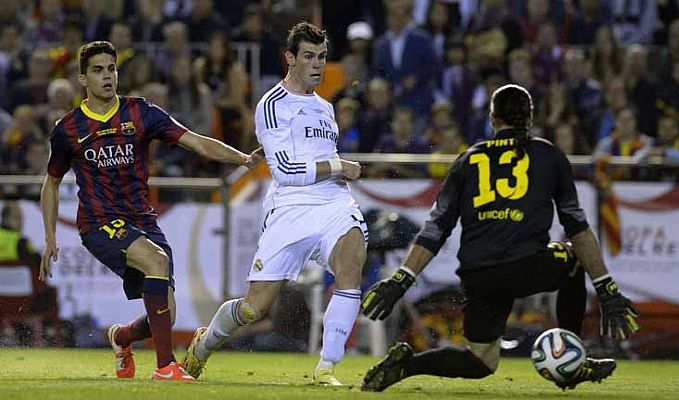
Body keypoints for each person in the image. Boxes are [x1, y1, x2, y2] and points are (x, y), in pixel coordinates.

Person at [360, 84, 640, 392]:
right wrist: (606, 287)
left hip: (479, 274)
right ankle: (570, 359)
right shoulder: (549, 156)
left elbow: (436, 228)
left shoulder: (468, 159)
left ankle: (408, 364)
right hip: (525, 264)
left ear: (492, 119)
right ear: (530, 118)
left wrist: (401, 279)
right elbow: (578, 228)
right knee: (572, 259)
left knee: (481, 360)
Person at [39, 41, 261, 382]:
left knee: (166, 315)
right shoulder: (68, 129)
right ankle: (164, 367)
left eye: (111, 68)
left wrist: (243, 158)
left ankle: (121, 337)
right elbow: (51, 183)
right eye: (98, 70)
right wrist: (51, 236)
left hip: (142, 219)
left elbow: (196, 141)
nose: (107, 76)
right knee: (156, 261)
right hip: (99, 224)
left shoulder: (141, 113)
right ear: (82, 78)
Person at [182, 22, 367, 386]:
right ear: (290, 59)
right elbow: (284, 170)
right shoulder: (272, 105)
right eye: (309, 57)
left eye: (322, 57)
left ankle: (327, 367)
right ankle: (204, 345)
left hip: (333, 201)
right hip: (290, 207)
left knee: (351, 262)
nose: (317, 65)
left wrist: (336, 173)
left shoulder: (325, 108)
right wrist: (340, 165)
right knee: (254, 307)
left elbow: (316, 160)